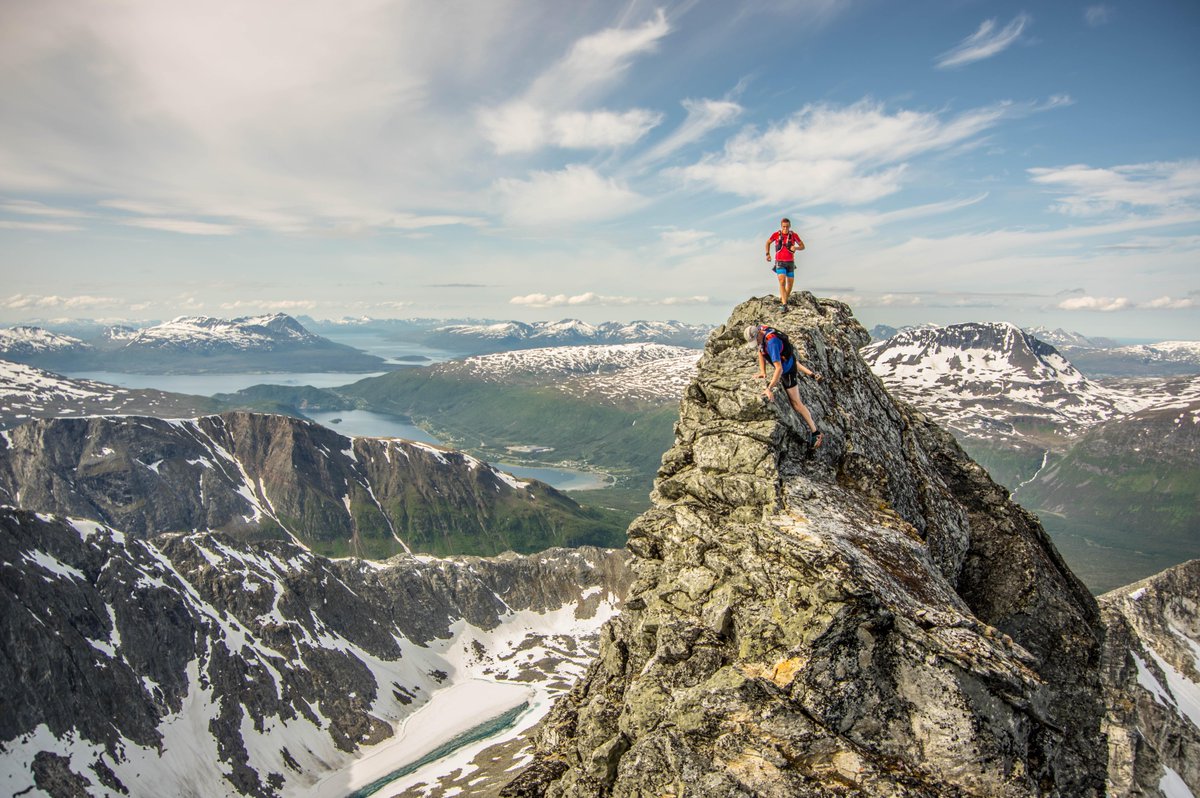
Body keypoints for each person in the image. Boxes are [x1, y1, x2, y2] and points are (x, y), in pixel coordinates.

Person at [745, 323, 823, 448]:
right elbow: (760, 351)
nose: (756, 342)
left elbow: (779, 369)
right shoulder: (760, 330)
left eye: (756, 340)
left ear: (758, 334)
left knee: (796, 404)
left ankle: (816, 433)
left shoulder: (772, 343)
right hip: (788, 359)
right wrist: (762, 372)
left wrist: (769, 388)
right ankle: (812, 374)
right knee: (790, 361)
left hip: (787, 370)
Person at [764, 218, 805, 311]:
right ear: (781, 226)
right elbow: (767, 243)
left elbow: (803, 246)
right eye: (784, 226)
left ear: (789, 226)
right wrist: (767, 254)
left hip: (790, 262)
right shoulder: (776, 235)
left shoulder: (794, 235)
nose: (785, 228)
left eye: (787, 226)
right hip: (780, 262)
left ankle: (783, 298)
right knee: (782, 281)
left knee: (790, 285)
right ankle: (784, 305)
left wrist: (796, 248)